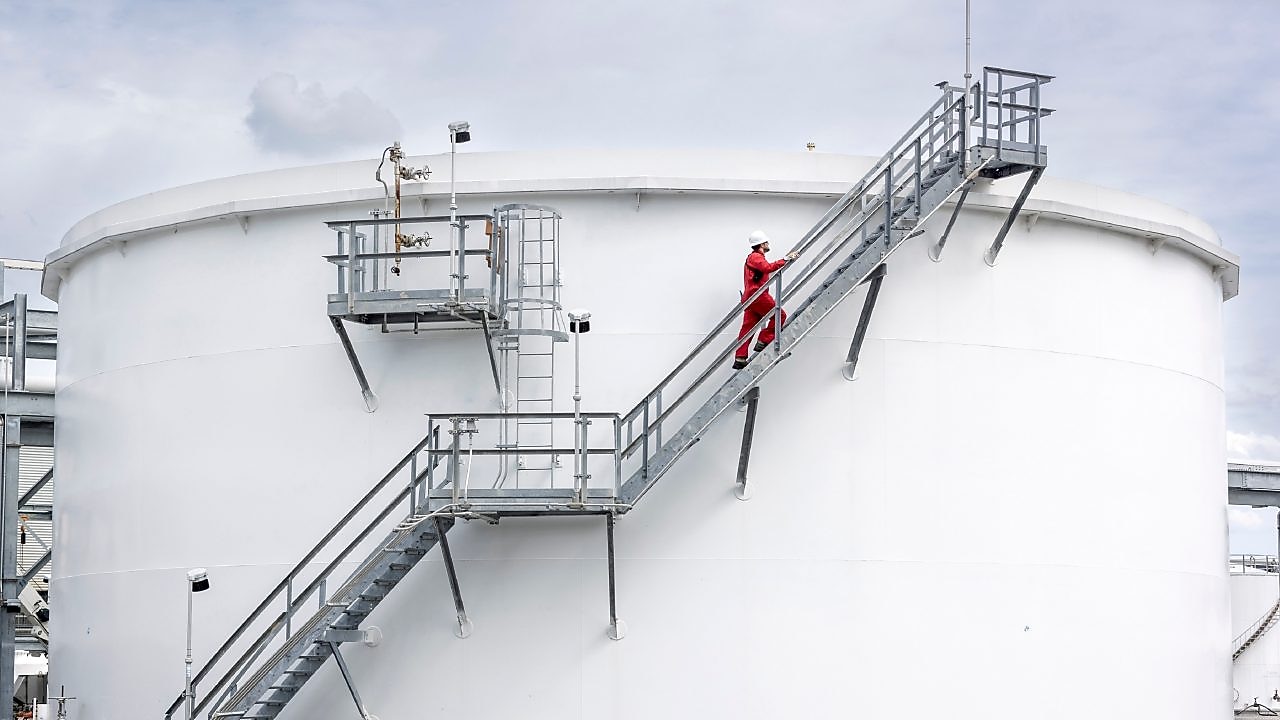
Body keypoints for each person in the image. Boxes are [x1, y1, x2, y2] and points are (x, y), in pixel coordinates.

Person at [733, 230, 798, 370]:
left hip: (751, 297)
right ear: (762, 244)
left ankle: (740, 357)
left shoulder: (753, 258)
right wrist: (786, 258)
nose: (768, 244)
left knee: (747, 328)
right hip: (758, 295)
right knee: (780, 315)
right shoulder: (756, 257)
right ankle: (763, 340)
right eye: (766, 242)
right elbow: (767, 268)